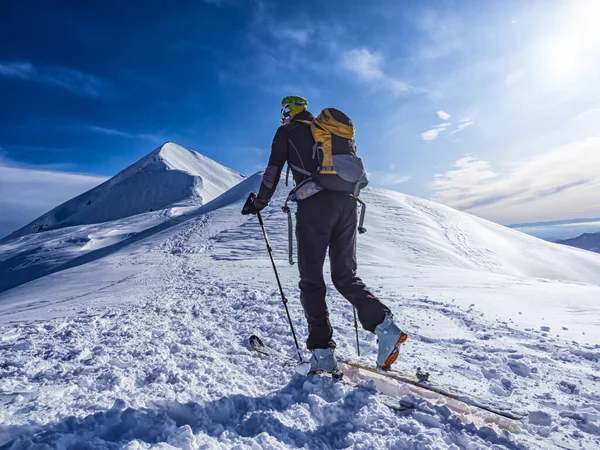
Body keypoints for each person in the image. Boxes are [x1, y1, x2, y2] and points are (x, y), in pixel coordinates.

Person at [243, 95, 407, 374]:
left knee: (311, 280)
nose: (283, 116)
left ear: (289, 112)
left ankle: (322, 353)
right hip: (347, 205)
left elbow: (272, 171)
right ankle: (384, 325)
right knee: (345, 275)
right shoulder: (327, 131)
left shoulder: (288, 131)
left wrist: (258, 202)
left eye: (284, 111)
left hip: (315, 208)